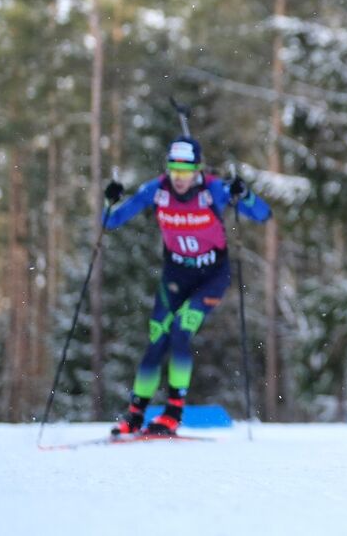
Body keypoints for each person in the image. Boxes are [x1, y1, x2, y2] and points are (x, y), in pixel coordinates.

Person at [100, 135, 271, 436]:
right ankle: (135, 414)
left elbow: (262, 215)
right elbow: (111, 222)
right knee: (157, 341)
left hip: (211, 278)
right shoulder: (157, 190)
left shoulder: (214, 191)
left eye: (186, 171)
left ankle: (173, 412)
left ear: (198, 170)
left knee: (180, 332)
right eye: (174, 170)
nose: (179, 178)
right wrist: (109, 199)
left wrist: (244, 194)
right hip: (175, 277)